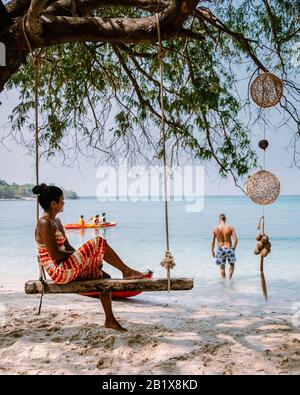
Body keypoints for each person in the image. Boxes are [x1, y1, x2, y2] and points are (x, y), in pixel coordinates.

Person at [33, 183, 148, 332]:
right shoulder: (44, 223)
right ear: (53, 204)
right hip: (58, 271)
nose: (64, 202)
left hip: (66, 266)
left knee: (104, 277)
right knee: (98, 241)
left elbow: (68, 249)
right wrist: (87, 256)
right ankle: (127, 272)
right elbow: (55, 256)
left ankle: (110, 320)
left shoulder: (57, 222)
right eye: (62, 200)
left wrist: (86, 260)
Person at [211, 214, 238, 280]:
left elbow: (213, 242)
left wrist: (212, 251)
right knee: (232, 265)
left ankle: (223, 283)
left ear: (219, 220)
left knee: (222, 267)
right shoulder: (230, 228)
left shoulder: (215, 229)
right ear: (225, 219)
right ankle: (230, 279)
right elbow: (236, 240)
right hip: (229, 248)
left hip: (220, 249)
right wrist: (234, 248)